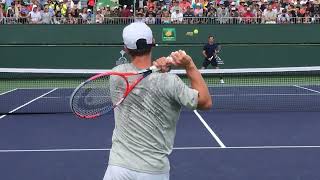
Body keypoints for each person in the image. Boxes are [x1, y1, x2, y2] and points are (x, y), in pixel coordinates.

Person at [103, 22, 212, 180]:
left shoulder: (116, 75)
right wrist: (189, 65)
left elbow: (143, 76)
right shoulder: (170, 82)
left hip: (117, 169)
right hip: (153, 171)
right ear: (153, 42)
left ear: (125, 49)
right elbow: (206, 102)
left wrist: (161, 68)